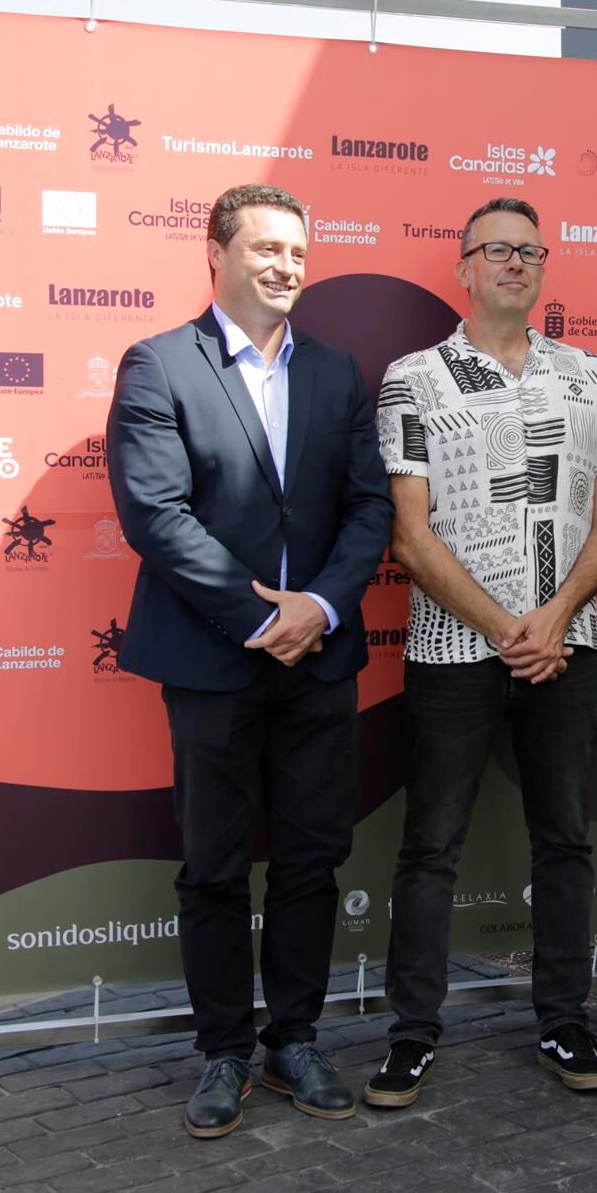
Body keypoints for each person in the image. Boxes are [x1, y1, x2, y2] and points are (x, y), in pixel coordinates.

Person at [107, 183, 393, 1138]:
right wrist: (253, 615)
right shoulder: (157, 366)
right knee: (216, 864)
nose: (286, 265)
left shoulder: (339, 373)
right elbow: (156, 513)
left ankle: (296, 1039)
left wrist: (316, 607)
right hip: (214, 659)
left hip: (318, 658)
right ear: (216, 253)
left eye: (297, 252)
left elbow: (369, 509)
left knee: (313, 858)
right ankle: (224, 1049)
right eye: (266, 247)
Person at [367, 197, 597, 1107]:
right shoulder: (415, 378)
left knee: (565, 841)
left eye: (530, 251)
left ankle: (564, 1019)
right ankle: (411, 1035)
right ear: (464, 267)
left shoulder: (589, 374)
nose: (515, 264)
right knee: (430, 846)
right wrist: (503, 626)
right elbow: (410, 531)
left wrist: (553, 617)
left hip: (568, 644)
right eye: (497, 250)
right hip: (453, 651)